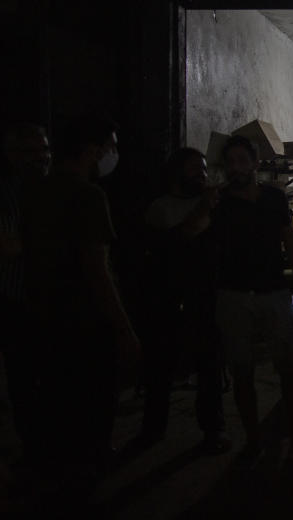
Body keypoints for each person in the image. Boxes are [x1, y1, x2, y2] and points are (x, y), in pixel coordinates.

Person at [20, 117, 140, 481]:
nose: (113, 155)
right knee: (93, 401)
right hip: (85, 318)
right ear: (92, 151)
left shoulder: (36, 190)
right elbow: (97, 270)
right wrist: (124, 328)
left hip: (43, 312)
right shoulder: (88, 196)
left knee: (55, 399)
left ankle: (55, 469)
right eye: (111, 147)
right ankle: (88, 475)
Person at [210, 135, 293, 461]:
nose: (236, 168)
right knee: (242, 372)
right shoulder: (219, 203)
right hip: (233, 294)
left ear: (255, 164)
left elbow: (289, 240)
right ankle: (253, 440)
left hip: (273, 292)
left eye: (243, 161)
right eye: (230, 163)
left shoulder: (273, 198)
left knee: (289, 370)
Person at [132, 148, 229, 455]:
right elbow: (172, 246)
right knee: (160, 369)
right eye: (194, 170)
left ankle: (213, 430)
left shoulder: (213, 205)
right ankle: (152, 429)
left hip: (204, 297)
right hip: (168, 298)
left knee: (210, 369)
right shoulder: (161, 208)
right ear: (176, 174)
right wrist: (204, 209)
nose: (201, 175)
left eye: (204, 169)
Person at [0, 122, 51, 467]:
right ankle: (36, 453)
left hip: (54, 301)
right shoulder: (8, 194)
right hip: (20, 302)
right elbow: (10, 247)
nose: (41, 158)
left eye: (44, 150)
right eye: (31, 152)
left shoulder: (51, 191)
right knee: (25, 382)